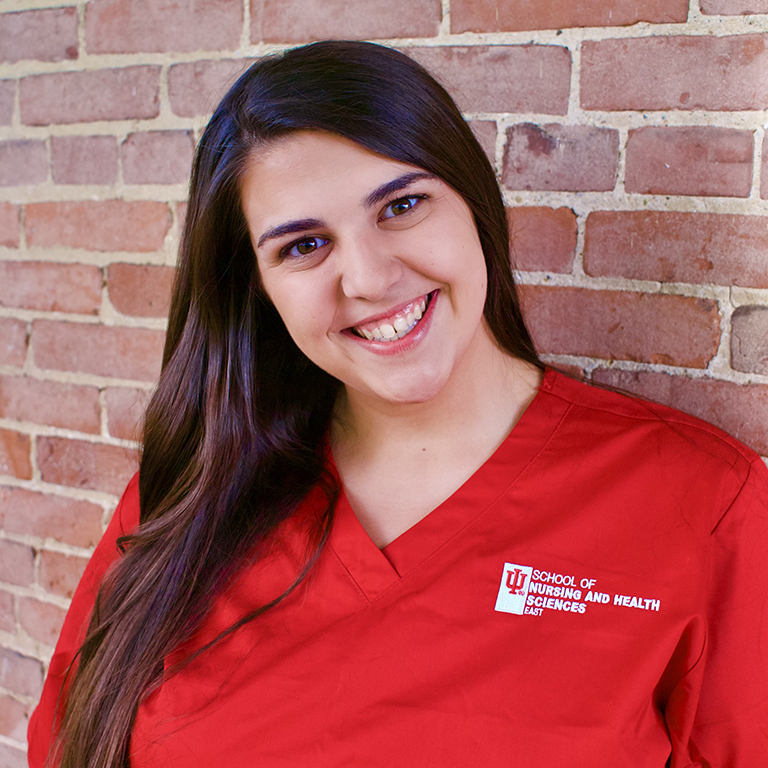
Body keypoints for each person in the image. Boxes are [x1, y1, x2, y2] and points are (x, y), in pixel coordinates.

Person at [28, 41, 767, 768]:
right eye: (303, 247)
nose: (371, 279)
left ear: (473, 202)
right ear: (257, 288)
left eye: (403, 205)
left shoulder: (702, 503)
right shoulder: (190, 498)